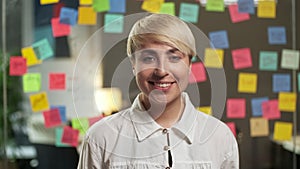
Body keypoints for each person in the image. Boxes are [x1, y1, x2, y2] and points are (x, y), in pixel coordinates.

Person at [77, 13, 239, 169]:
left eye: (174, 58)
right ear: (133, 64)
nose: (161, 71)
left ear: (190, 65)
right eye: (148, 58)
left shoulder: (220, 137)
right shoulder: (101, 137)